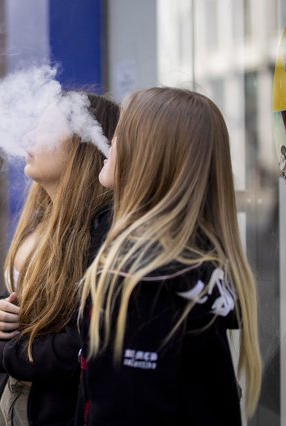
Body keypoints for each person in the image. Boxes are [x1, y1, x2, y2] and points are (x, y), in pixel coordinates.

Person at [76, 87, 262, 425]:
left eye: (118, 136)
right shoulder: (186, 266)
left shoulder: (144, 280)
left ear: (147, 157)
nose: (108, 141)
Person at [0, 92, 120, 425]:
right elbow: (35, 314)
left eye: (47, 128)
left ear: (83, 147)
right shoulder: (42, 215)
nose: (30, 136)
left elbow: (77, 344)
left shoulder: (103, 231)